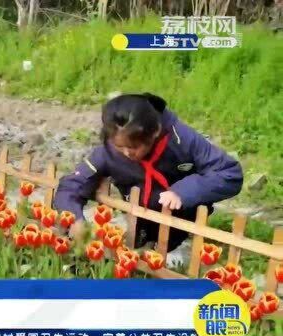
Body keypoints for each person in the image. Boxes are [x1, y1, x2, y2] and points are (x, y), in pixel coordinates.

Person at [53, 93, 243, 266]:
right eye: (120, 147)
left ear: (154, 132)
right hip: (139, 214)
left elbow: (229, 173)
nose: (127, 153)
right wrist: (75, 219)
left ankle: (172, 248)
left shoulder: (181, 138)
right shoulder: (108, 151)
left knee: (170, 251)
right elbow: (71, 185)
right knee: (136, 252)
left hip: (182, 213)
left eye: (134, 147)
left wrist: (183, 191)